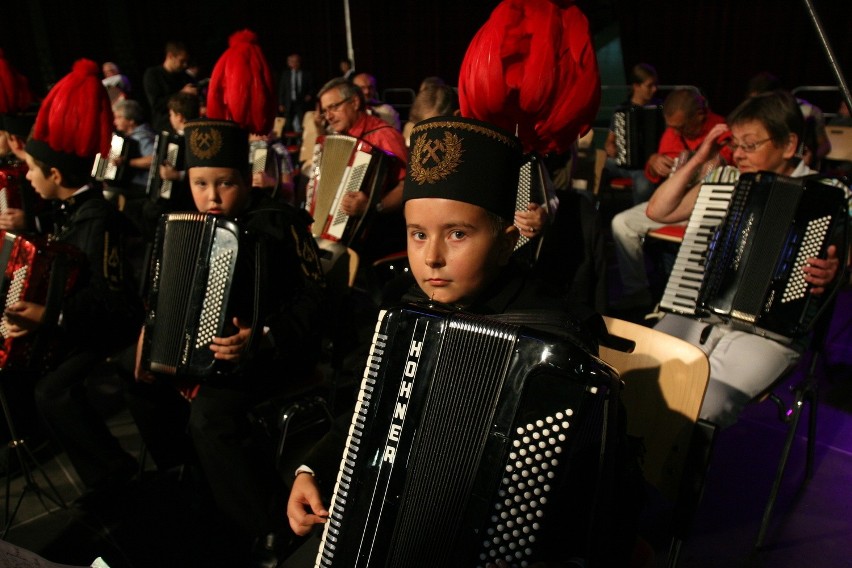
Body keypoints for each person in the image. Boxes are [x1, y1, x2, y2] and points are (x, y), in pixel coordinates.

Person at [283, 116, 631, 568]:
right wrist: (314, 469)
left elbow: (591, 493)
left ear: (508, 242)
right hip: (383, 521)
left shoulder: (554, 340)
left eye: (458, 234)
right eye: (418, 234)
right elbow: (367, 411)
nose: (432, 256)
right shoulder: (404, 309)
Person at [127, 118, 327, 565]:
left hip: (272, 354)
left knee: (210, 417)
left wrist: (264, 335)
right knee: (136, 384)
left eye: (225, 184)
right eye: (201, 184)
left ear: (246, 179)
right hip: (201, 354)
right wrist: (150, 333)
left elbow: (316, 300)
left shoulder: (278, 222)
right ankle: (196, 481)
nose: (212, 197)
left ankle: (268, 525)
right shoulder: (183, 223)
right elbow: (163, 293)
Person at [646, 89, 847, 429]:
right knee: (644, 377)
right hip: (698, 314)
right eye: (734, 144)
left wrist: (835, 272)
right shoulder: (725, 179)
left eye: (749, 145)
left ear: (788, 144)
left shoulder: (830, 194)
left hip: (770, 334)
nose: (738, 154)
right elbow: (658, 210)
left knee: (706, 402)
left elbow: (844, 264)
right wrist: (700, 156)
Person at [10, 59, 144, 498]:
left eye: (31, 170)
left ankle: (113, 474)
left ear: (54, 174)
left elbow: (109, 300)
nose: (26, 177)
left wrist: (50, 316)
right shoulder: (70, 211)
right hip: (75, 319)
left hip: (106, 326)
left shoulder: (97, 219)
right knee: (32, 374)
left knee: (53, 388)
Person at [610, 88, 733, 312]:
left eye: (680, 126)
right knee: (621, 222)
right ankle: (637, 292)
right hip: (671, 206)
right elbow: (654, 178)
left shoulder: (724, 133)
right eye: (671, 126)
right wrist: (654, 163)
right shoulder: (673, 134)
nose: (673, 132)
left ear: (699, 115)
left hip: (705, 209)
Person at [315, 77, 409, 263]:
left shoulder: (384, 136)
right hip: (341, 236)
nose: (329, 116)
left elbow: (408, 186)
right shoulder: (337, 140)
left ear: (355, 102)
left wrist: (373, 206)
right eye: (325, 111)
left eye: (334, 107)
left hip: (378, 234)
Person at [602, 63, 662, 204]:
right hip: (621, 163)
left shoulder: (660, 109)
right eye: (649, 85)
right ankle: (592, 219)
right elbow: (609, 141)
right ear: (636, 86)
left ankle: (634, 220)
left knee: (644, 186)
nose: (654, 89)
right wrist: (611, 147)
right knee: (594, 169)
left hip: (645, 166)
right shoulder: (622, 110)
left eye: (656, 85)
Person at [143, 40, 197, 134]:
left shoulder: (185, 77)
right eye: (181, 61)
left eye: (186, 61)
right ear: (170, 56)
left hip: (186, 127)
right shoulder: (153, 75)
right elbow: (157, 104)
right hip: (165, 129)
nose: (185, 65)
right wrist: (182, 93)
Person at [277, 53, 314, 133]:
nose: (295, 64)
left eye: (297, 62)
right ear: (289, 63)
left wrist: (309, 95)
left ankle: (301, 141)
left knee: (302, 123)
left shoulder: (306, 74)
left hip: (301, 102)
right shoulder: (286, 74)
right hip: (289, 103)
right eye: (293, 62)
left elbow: (311, 88)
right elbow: (282, 90)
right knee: (287, 124)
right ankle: (288, 142)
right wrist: (281, 103)